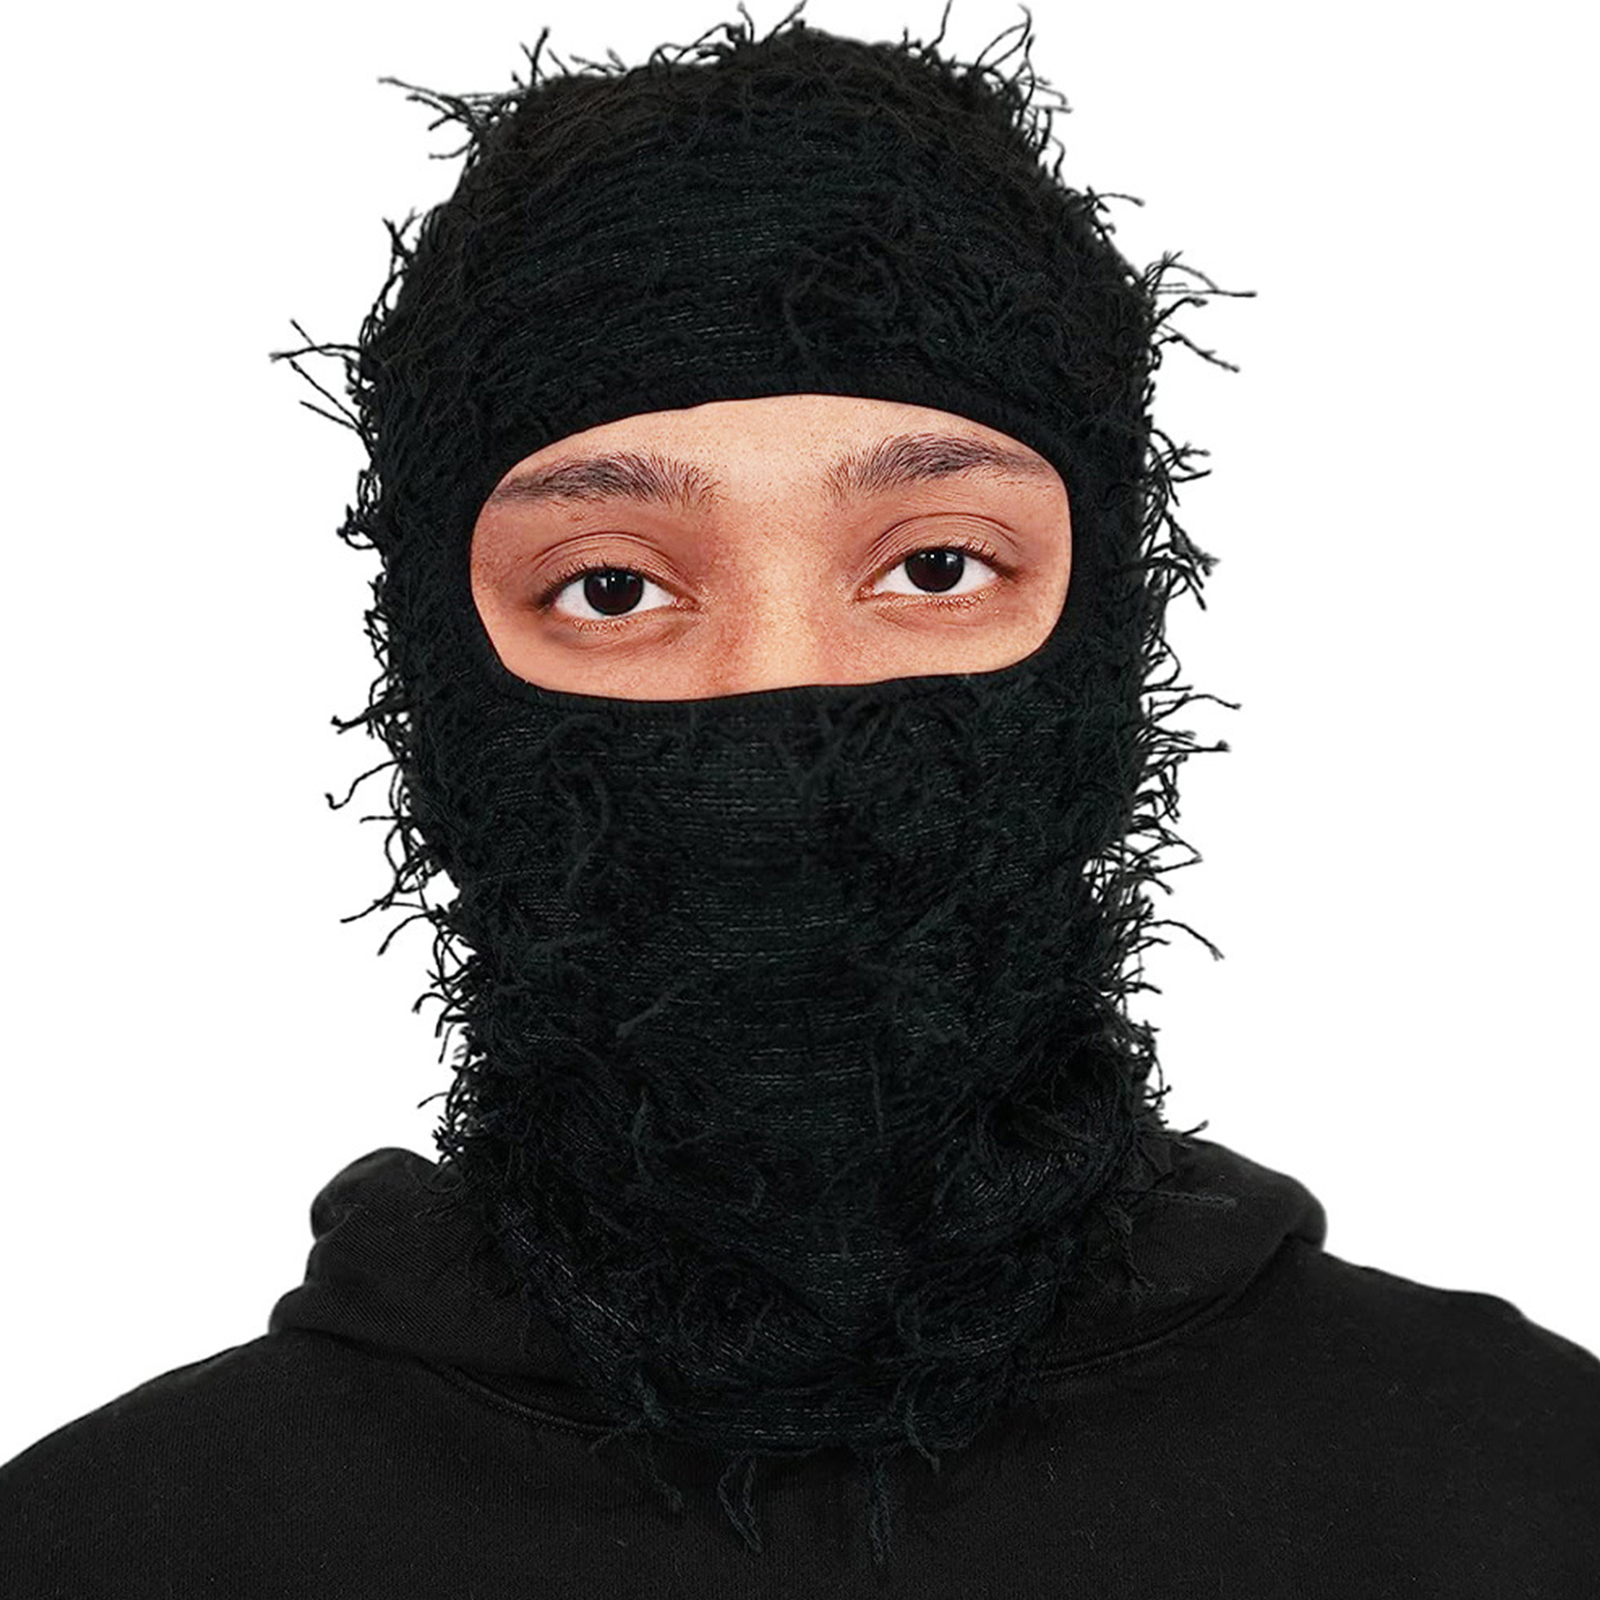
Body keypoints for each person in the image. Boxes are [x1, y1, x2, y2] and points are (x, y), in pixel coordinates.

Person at [3, 6, 1596, 1595]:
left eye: (935, 566)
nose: (785, 704)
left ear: (1117, 632)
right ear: (428, 671)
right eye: (614, 587)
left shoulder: (1527, 1492)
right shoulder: (108, 1551)